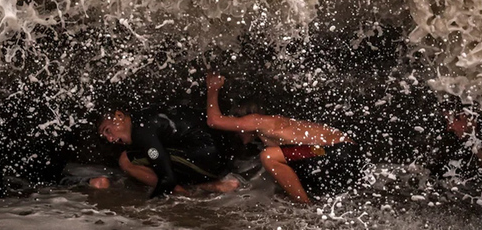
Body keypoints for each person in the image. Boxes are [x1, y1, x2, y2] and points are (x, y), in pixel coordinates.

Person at [205, 74, 367, 203]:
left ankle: (305, 205)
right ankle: (306, 200)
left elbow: (214, 121)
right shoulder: (277, 127)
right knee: (280, 164)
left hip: (338, 151)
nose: (236, 133)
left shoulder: (258, 121)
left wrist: (213, 88)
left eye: (237, 126)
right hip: (342, 152)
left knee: (269, 156)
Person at [98, 105, 239, 198]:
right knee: (155, 158)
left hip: (211, 159)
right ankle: (212, 184)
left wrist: (148, 206)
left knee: (126, 160)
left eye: (108, 131)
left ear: (119, 116)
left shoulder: (142, 131)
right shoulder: (143, 117)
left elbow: (167, 178)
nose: (110, 139)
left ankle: (182, 192)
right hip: (223, 157)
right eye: (105, 137)